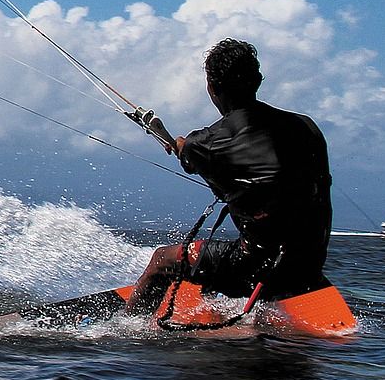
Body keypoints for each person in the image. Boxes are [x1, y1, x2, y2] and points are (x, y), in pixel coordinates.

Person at [126, 38, 333, 311]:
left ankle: (128, 329)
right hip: (308, 265)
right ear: (258, 80)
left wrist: (177, 144)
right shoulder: (307, 128)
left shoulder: (209, 142)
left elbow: (189, 152)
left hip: (257, 270)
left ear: (211, 88)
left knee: (162, 260)